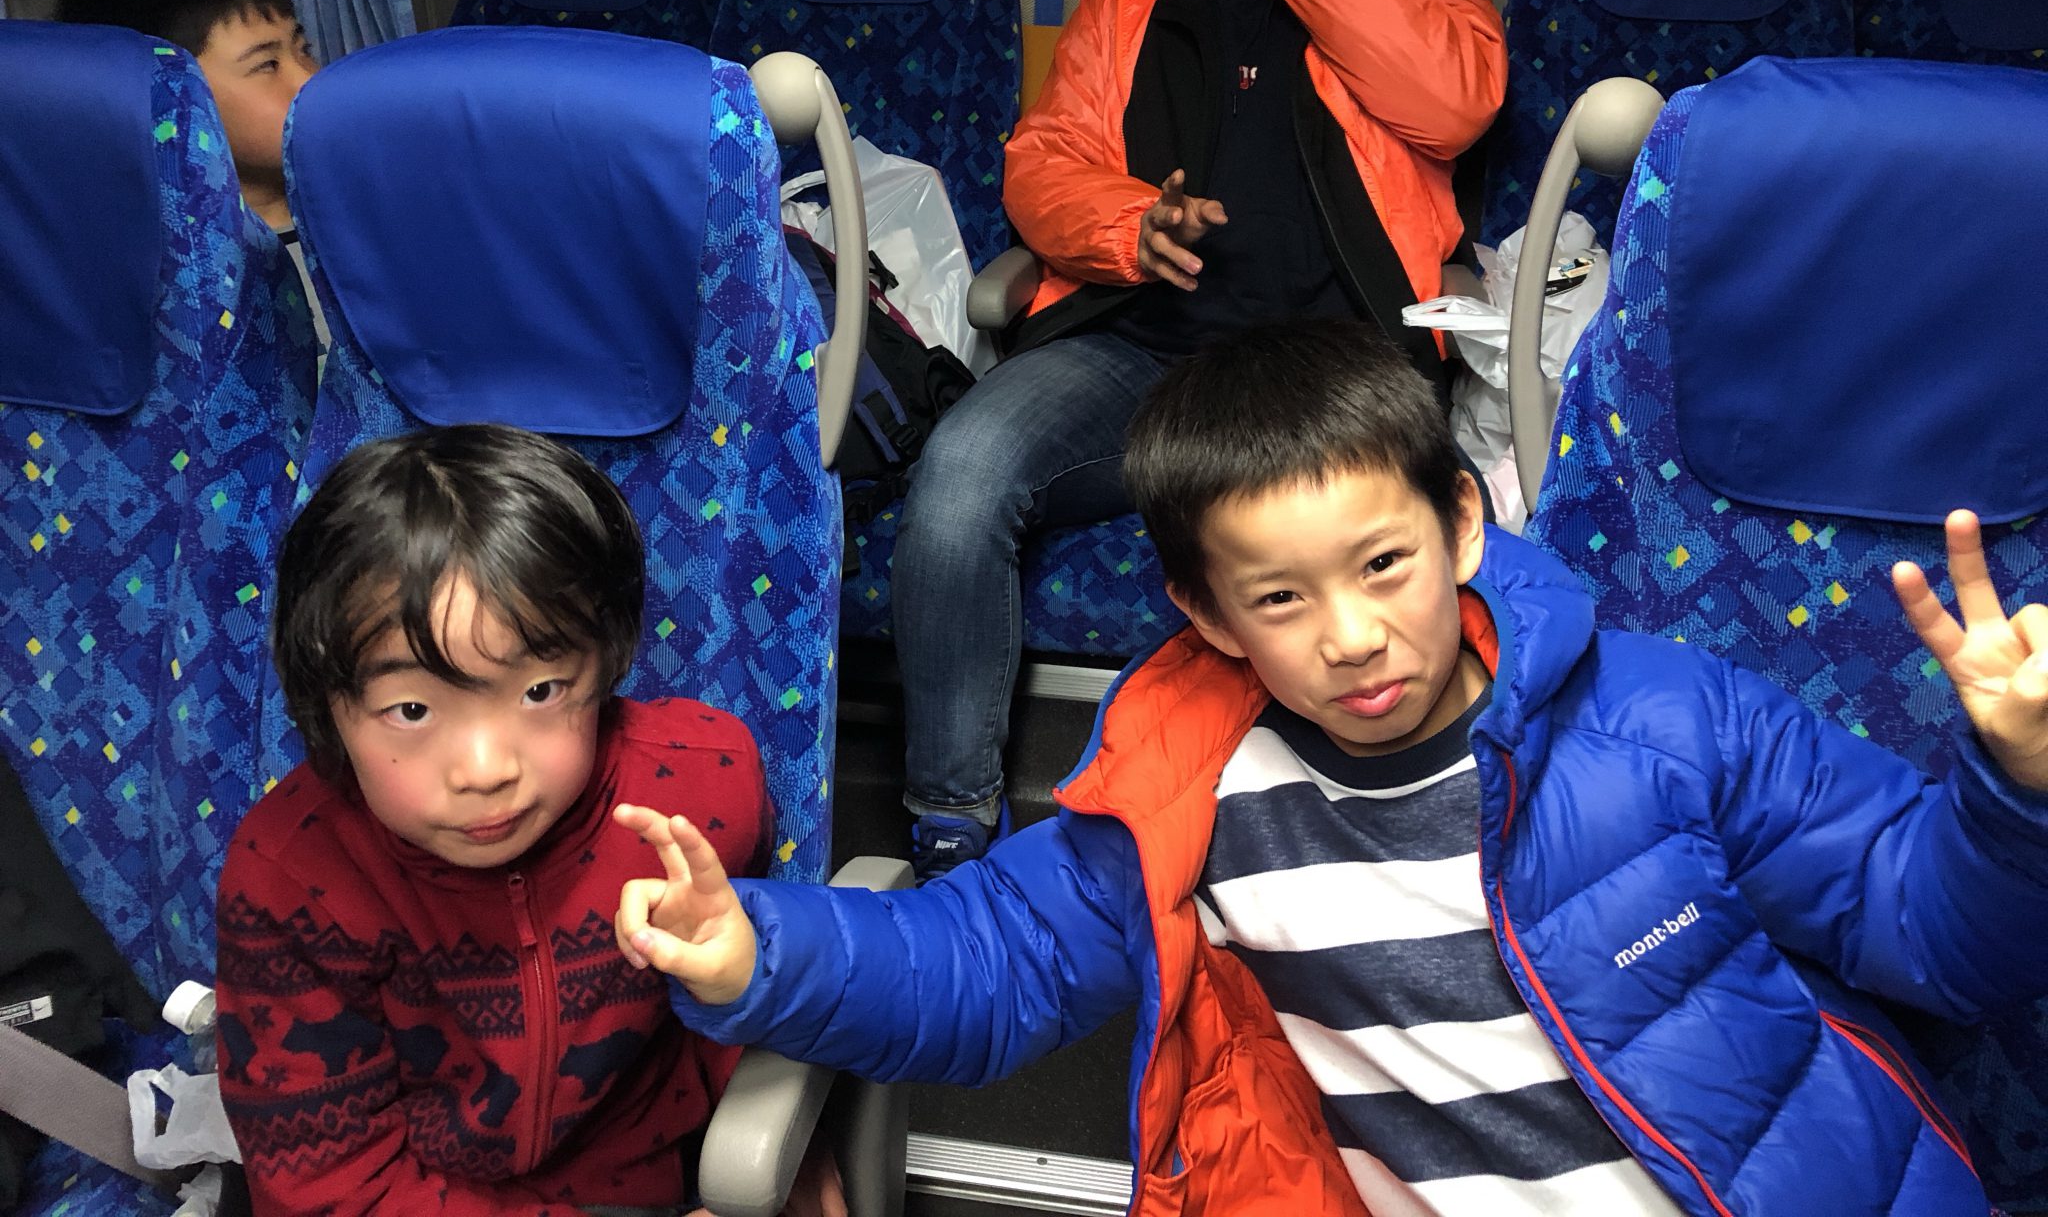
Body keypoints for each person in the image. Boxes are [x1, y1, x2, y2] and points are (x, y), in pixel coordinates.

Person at [619, 321, 2048, 1216]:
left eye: (1383, 565)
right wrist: (759, 951)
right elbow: (988, 961)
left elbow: (1935, 937)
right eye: (1279, 598)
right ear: (1204, 614)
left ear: (1462, 525)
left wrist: (2017, 787)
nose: (1352, 637)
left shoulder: (1666, 721)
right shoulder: (1195, 792)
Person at [890, 0, 1506, 878]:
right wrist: (1129, 225)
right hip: (1145, 354)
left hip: (1327, 368)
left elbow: (1451, 101)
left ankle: (1363, 828)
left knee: (1319, 536)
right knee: (961, 472)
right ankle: (951, 828)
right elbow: (1041, 164)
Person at [213, 424, 841, 1216]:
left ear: (607, 659)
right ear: (327, 708)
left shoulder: (699, 788)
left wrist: (785, 1143)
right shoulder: (289, 877)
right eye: (411, 709)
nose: (485, 770)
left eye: (541, 692)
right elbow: (328, 1184)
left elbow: (731, 992)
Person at [56, 0, 329, 348]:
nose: (310, 79)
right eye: (267, 65)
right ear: (166, 98)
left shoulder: (357, 215)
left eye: (303, 49)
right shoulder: (165, 284)